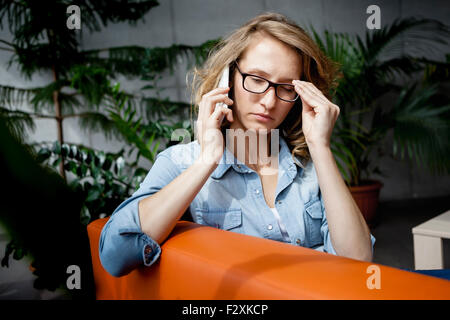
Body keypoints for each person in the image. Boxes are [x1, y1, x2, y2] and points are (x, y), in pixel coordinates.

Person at [99, 12, 376, 277]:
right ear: (227, 78)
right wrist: (208, 159)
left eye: (287, 88)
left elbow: (358, 260)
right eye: (256, 80)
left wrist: (321, 147)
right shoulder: (181, 162)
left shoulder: (309, 164)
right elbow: (115, 256)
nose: (269, 102)